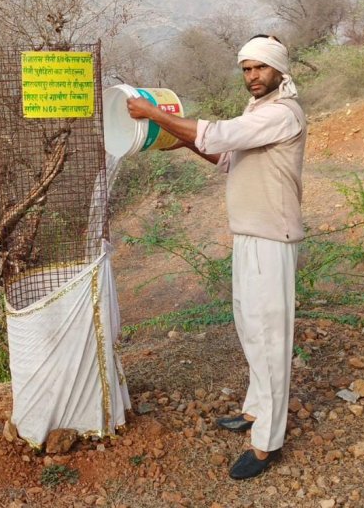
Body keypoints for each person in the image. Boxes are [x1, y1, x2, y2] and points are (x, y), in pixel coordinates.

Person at [126, 35, 307, 479]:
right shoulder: (258, 114)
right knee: (251, 325)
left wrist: (153, 113)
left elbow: (221, 135)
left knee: (269, 337)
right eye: (245, 69)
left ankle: (268, 444)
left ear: (279, 70)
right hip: (250, 234)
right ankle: (254, 411)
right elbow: (224, 156)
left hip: (271, 237)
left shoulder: (282, 114)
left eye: (259, 69)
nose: (251, 77)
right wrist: (175, 135)